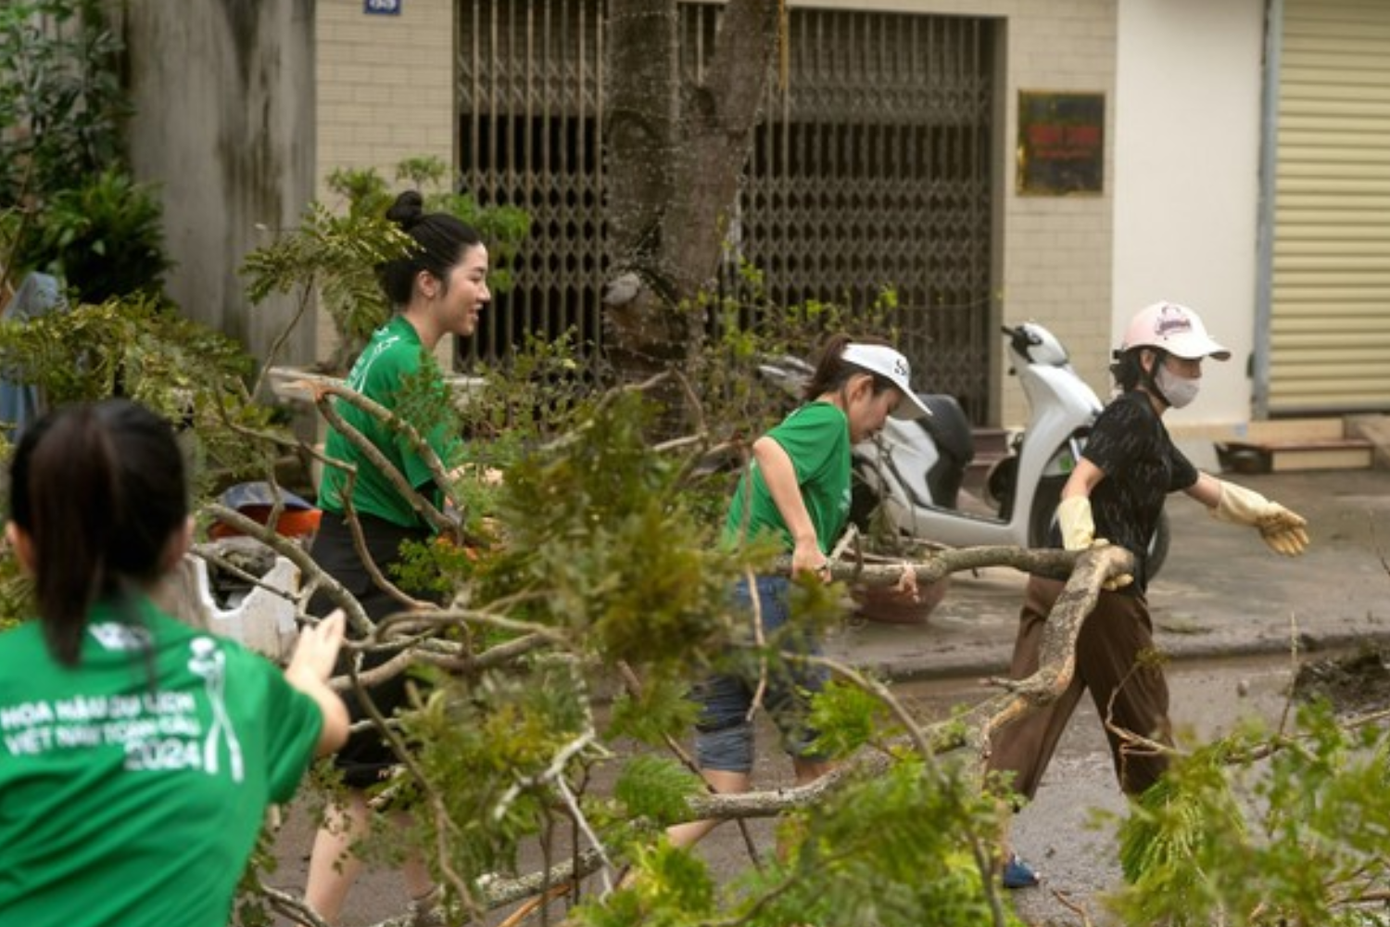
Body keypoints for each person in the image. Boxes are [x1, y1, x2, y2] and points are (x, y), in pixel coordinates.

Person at [987, 301, 1310, 888]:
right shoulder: (1131, 417)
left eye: (1198, 364)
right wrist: (1090, 554)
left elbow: (1199, 485)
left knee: (1027, 715)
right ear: (1148, 359)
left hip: (1055, 581)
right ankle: (1166, 856)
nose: (1195, 376)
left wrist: (1261, 511)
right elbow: (1079, 485)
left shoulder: (1145, 427)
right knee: (1145, 722)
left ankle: (987, 850)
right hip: (1104, 591)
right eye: (1186, 363)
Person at [0, 399, 348, 927]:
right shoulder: (234, 684)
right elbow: (330, 724)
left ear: (20, 545)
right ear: (183, 541)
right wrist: (303, 676)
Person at [302, 190, 492, 925]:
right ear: (429, 282)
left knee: (409, 772)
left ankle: (433, 910)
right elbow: (455, 495)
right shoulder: (406, 364)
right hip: (373, 581)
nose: (485, 291)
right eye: (475, 275)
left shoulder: (387, 348)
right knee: (366, 782)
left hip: (374, 573)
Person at [666, 335, 931, 852]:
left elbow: (816, 559)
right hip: (763, 600)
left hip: (718, 605)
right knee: (820, 767)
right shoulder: (827, 421)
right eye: (887, 408)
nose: (884, 424)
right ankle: (804, 900)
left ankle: (626, 893)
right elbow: (768, 450)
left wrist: (889, 567)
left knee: (722, 786)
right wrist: (807, 539)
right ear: (860, 389)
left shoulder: (824, 438)